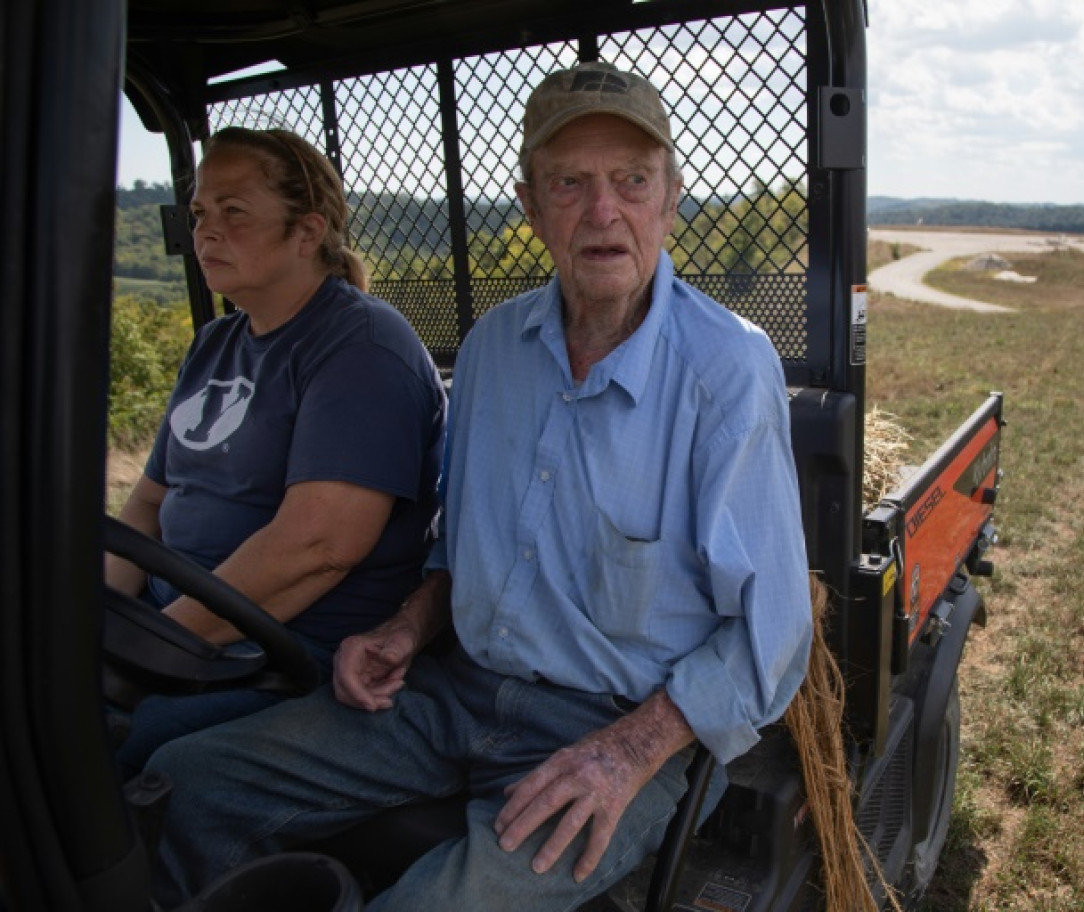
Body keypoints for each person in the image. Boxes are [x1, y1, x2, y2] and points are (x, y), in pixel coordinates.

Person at [147, 62, 812, 911]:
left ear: (671, 200)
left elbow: (771, 636)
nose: (604, 212)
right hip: (454, 692)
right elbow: (459, 555)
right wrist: (402, 630)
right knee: (188, 782)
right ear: (531, 207)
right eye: (570, 184)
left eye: (631, 182)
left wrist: (625, 754)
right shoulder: (494, 349)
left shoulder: (727, 369)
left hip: (620, 727)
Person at [106, 127, 447, 778]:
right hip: (179, 624)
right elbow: (149, 501)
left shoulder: (362, 347)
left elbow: (316, 550)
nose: (207, 231)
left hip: (281, 649)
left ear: (306, 230)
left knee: (76, 737)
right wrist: (97, 616)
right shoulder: (216, 342)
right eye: (202, 212)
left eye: (235, 212)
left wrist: (147, 649)